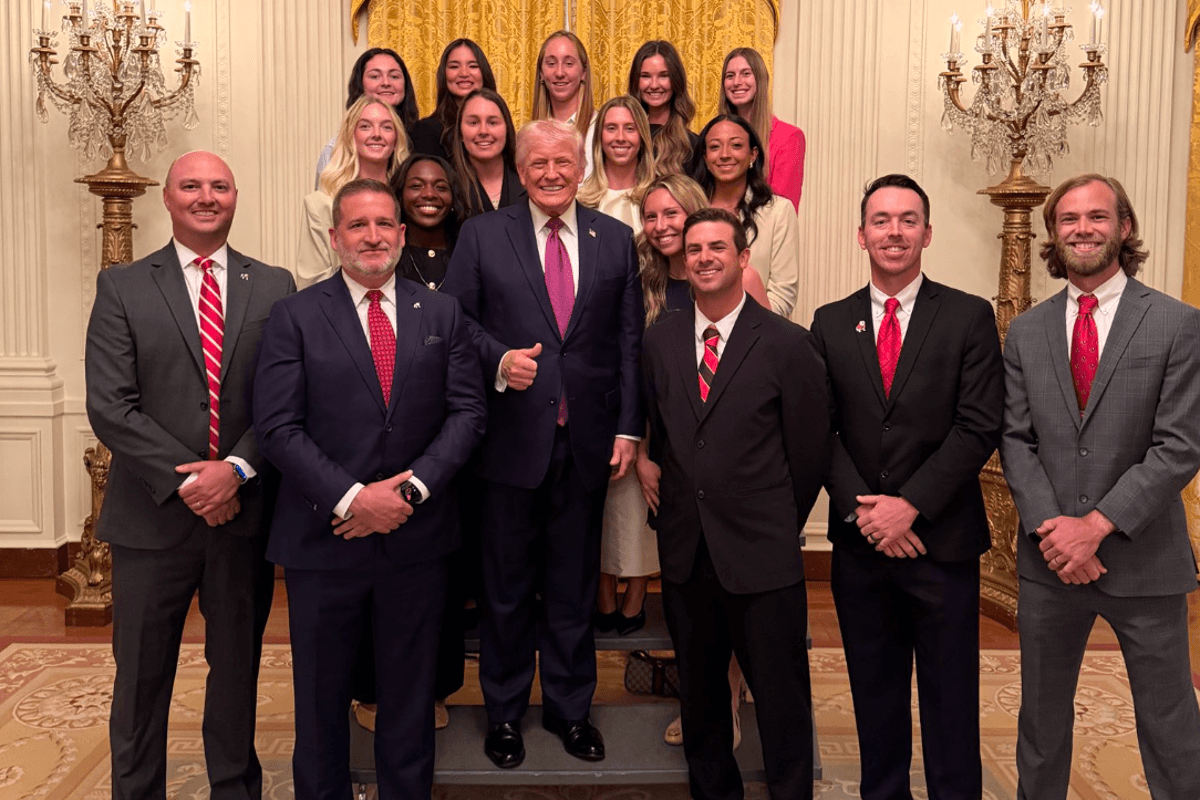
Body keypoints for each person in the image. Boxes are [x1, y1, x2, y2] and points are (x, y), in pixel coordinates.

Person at [254, 178, 486, 799]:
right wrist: (356, 499)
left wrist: (405, 496)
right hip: (324, 542)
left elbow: (468, 414)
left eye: (384, 224)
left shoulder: (441, 312)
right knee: (322, 700)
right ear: (335, 238)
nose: (373, 236)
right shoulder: (294, 315)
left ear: (403, 234)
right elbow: (278, 427)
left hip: (418, 541)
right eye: (358, 225)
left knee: (409, 699)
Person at [85, 150, 295, 800]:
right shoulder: (122, 285)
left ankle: (235, 787)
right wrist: (193, 481)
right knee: (142, 681)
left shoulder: (275, 285)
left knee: (235, 674)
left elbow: (285, 399)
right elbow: (110, 407)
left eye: (220, 186)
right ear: (170, 200)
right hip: (151, 521)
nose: (207, 196)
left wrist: (234, 469)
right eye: (192, 186)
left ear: (236, 197)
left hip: (242, 518)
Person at [442, 119, 643, 769]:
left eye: (563, 161)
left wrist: (627, 428)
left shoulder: (614, 240)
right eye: (538, 164)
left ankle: (569, 709)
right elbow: (454, 323)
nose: (552, 173)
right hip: (508, 444)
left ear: (579, 168)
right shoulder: (481, 235)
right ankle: (504, 714)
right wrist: (499, 361)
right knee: (503, 589)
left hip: (587, 444)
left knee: (572, 587)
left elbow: (628, 344)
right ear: (520, 171)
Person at [1000, 174, 1200, 800]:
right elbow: (1015, 439)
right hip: (1051, 560)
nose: (1082, 229)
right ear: (1053, 235)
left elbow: (1181, 445)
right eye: (1067, 220)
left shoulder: (1177, 323)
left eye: (1096, 217)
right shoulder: (1026, 331)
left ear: (1125, 227)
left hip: (1145, 561)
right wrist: (1056, 531)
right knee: (1041, 721)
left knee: (1171, 723)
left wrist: (1096, 527)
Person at [810, 173, 1003, 800]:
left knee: (951, 699)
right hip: (862, 546)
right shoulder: (831, 322)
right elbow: (821, 431)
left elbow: (978, 426)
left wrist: (910, 507)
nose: (895, 232)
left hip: (941, 543)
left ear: (927, 232)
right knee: (874, 690)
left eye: (908, 219)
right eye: (882, 220)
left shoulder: (969, 315)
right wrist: (870, 515)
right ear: (861, 235)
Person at [641, 206, 828, 800]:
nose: (704, 258)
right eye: (693, 249)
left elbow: (809, 453)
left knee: (780, 697)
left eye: (717, 247)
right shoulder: (661, 340)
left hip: (762, 553)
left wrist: (772, 518)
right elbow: (666, 435)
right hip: (687, 552)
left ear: (743, 258)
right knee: (699, 698)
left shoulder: (787, 345)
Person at [635, 176, 767, 748]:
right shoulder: (644, 281)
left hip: (734, 467)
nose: (663, 225)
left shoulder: (738, 274)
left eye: (673, 214)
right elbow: (642, 378)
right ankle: (700, 698)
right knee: (686, 588)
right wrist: (642, 452)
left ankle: (729, 700)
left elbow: (758, 371)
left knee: (728, 584)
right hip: (670, 455)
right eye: (652, 215)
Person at [692, 114, 799, 318]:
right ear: (705, 157)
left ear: (753, 154)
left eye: (736, 146)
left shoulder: (779, 211)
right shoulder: (690, 208)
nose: (724, 155)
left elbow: (783, 295)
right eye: (715, 147)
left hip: (756, 334)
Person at [297, 96, 407, 288]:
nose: (377, 134)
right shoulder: (321, 204)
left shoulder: (408, 200)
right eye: (365, 126)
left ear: (396, 139)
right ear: (351, 136)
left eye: (387, 127)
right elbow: (312, 286)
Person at [314, 47, 419, 186]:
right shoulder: (336, 149)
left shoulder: (422, 138)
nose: (386, 83)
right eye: (375, 76)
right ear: (360, 84)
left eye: (394, 76)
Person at [720, 47, 806, 211]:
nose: (737, 82)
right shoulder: (715, 137)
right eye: (730, 76)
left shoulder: (789, 137)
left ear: (760, 80)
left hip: (764, 232)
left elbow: (784, 209)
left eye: (746, 73)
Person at [577, 95, 656, 231]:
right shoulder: (580, 202)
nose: (620, 137)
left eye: (630, 128)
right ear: (599, 137)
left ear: (642, 136)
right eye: (611, 128)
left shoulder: (657, 198)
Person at [411, 39, 496, 161]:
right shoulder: (425, 131)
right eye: (454, 66)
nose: (464, 73)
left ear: (484, 73)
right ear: (444, 75)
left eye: (473, 66)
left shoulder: (499, 127)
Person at [450, 88, 526, 217]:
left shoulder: (528, 180)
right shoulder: (448, 184)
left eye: (492, 122)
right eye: (473, 123)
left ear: (507, 128)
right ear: (460, 132)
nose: (483, 131)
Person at [628, 40, 698, 178]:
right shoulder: (626, 139)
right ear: (636, 82)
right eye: (646, 76)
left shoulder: (692, 145)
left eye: (663, 76)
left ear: (676, 80)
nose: (654, 85)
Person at [530, 31, 597, 176]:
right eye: (551, 63)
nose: (560, 72)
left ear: (583, 72)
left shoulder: (600, 131)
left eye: (569, 63)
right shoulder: (529, 135)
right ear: (541, 73)